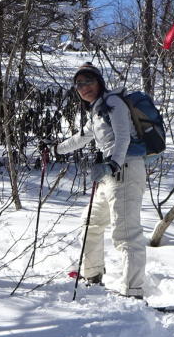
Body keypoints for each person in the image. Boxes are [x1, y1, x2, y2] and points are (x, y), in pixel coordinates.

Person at [55, 63, 149, 299]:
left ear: (99, 82)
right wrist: (56, 148)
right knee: (90, 223)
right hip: (109, 174)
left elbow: (123, 136)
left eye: (88, 82)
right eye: (79, 84)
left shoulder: (113, 103)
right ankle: (92, 273)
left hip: (125, 170)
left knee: (126, 233)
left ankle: (133, 290)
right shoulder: (97, 110)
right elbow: (82, 137)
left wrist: (113, 163)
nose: (83, 87)